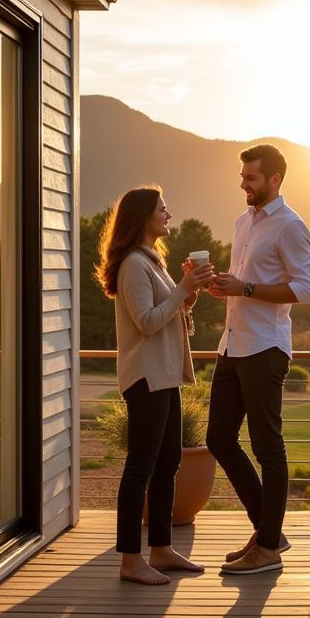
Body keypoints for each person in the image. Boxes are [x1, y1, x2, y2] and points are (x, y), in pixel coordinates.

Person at [96, 186, 215, 585]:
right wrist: (182, 289)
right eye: (163, 208)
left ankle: (161, 550)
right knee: (141, 468)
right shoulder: (133, 264)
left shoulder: (153, 262)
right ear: (145, 216)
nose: (169, 213)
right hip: (146, 376)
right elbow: (146, 322)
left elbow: (166, 312)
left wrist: (188, 293)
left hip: (163, 375)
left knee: (168, 463)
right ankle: (131, 560)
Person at [206, 143, 310, 575]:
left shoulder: (291, 225)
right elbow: (243, 282)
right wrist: (222, 285)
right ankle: (269, 531)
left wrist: (246, 289)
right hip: (232, 346)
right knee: (218, 438)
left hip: (265, 348)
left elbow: (305, 289)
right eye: (242, 177)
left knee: (268, 446)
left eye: (250, 178)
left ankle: (268, 546)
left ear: (274, 180)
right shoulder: (242, 222)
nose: (243, 184)